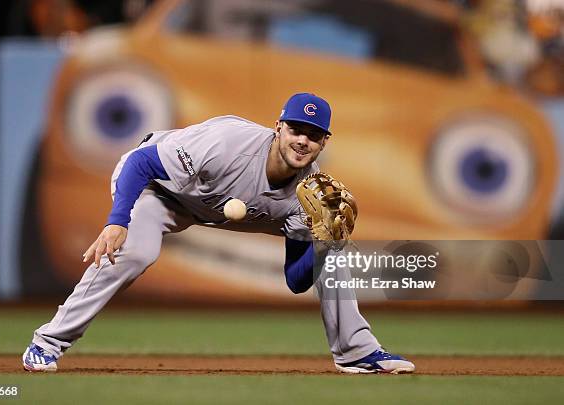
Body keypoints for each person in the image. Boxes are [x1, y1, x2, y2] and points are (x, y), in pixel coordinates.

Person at [21, 93, 415, 374]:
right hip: (159, 189)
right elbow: (141, 163)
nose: (302, 140)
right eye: (296, 128)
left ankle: (356, 352)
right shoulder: (228, 142)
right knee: (135, 251)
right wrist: (117, 221)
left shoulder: (307, 196)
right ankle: (48, 342)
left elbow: (296, 280)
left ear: (324, 142)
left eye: (313, 135)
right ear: (278, 127)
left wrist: (323, 245)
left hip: (210, 207)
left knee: (333, 252)